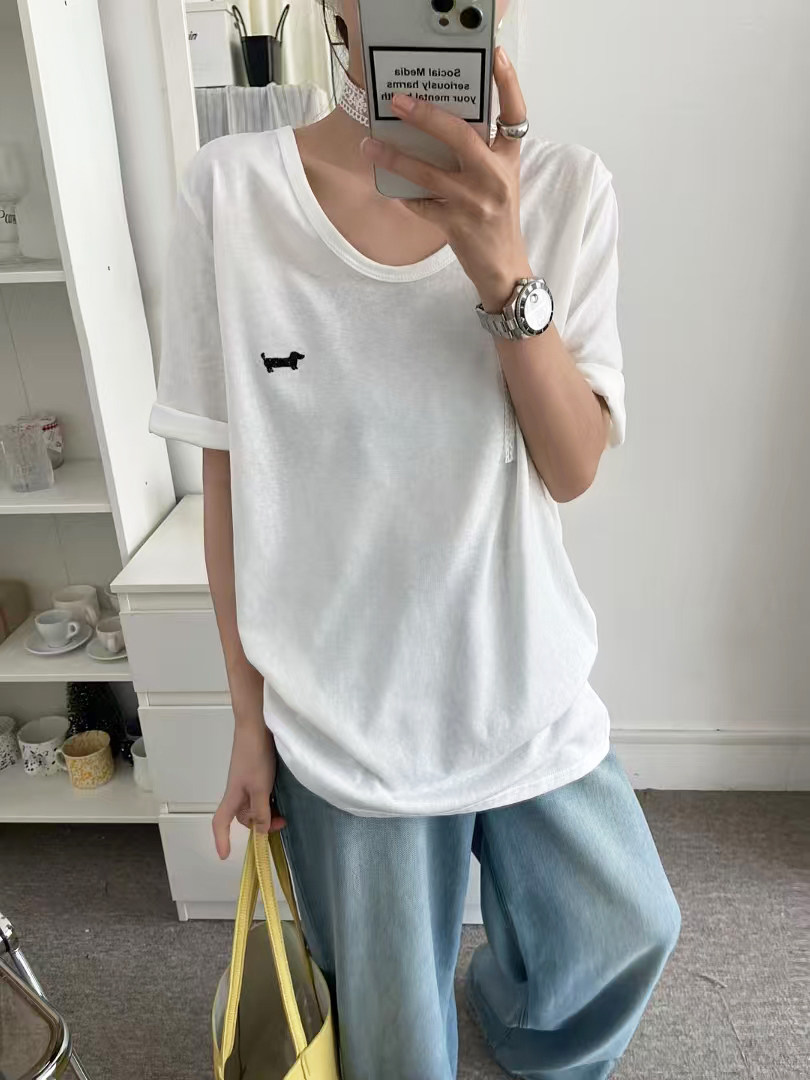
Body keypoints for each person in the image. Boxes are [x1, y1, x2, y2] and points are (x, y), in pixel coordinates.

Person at [148, 1, 681, 1076]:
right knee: (399, 1054)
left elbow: (572, 467)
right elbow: (229, 484)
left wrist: (502, 263)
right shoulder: (233, 192)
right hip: (345, 718)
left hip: (522, 676)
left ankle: (514, 1019)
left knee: (627, 928)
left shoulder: (567, 188)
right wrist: (248, 721)